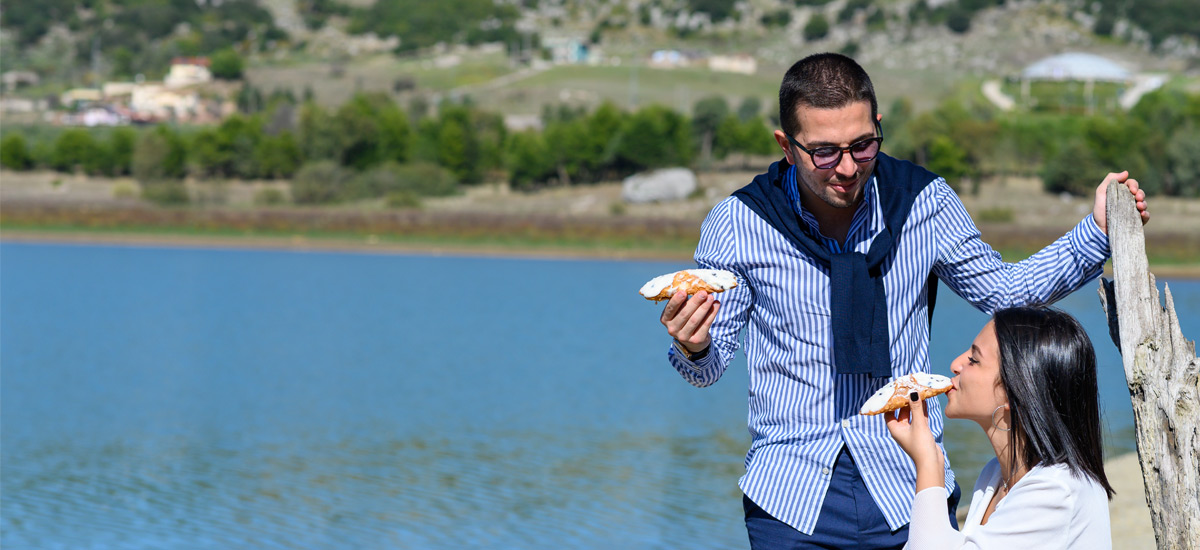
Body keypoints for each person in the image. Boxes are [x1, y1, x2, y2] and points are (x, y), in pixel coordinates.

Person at [657, 52, 1148, 549]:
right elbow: (706, 367)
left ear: (878, 125)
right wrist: (694, 346)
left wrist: (1097, 232)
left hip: (909, 488)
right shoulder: (738, 223)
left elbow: (1006, 292)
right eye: (824, 152)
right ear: (788, 146)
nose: (847, 167)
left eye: (863, 145)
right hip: (790, 498)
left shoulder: (924, 202)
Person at [887, 307, 1114, 549]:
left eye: (974, 360)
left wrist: (928, 463)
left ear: (1015, 390)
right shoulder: (994, 475)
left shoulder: (1056, 493)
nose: (955, 365)